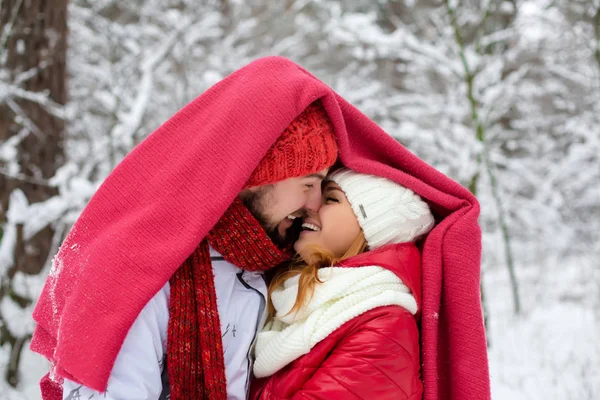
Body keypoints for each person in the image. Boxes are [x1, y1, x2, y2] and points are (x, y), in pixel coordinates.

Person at [31, 56, 491, 400]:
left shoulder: (263, 266)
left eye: (325, 192)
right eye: (310, 184)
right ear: (258, 173)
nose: (311, 206)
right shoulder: (147, 272)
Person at [251, 168, 434, 399]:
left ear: (368, 229)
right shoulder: (291, 293)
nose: (313, 206)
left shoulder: (384, 325)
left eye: (331, 198)